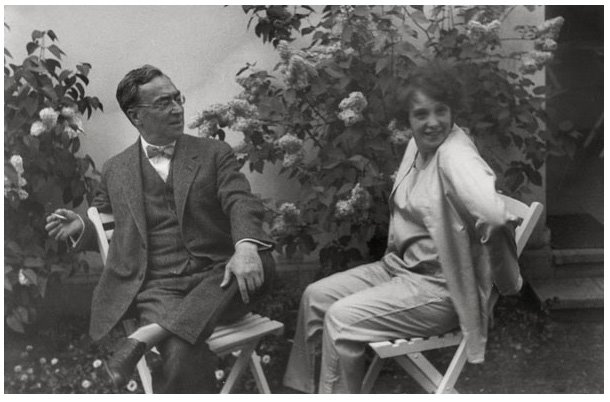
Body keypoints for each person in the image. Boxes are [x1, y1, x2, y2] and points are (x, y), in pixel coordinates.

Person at [282, 62, 523, 393]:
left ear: (452, 109)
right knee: (315, 298)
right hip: (398, 270)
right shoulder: (418, 145)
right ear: (407, 119)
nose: (433, 122)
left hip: (439, 291)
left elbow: (494, 218)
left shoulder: (456, 157)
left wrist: (507, 283)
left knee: (340, 319)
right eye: (421, 114)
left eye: (441, 110)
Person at [45, 65, 275, 393]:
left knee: (259, 261)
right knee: (181, 350)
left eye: (177, 98)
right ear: (136, 116)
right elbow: (108, 221)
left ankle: (144, 336)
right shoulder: (115, 169)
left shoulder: (213, 153)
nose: (177, 108)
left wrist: (246, 247)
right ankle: (157, 334)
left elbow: (240, 200)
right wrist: (82, 225)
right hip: (161, 287)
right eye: (164, 103)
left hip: (221, 276)